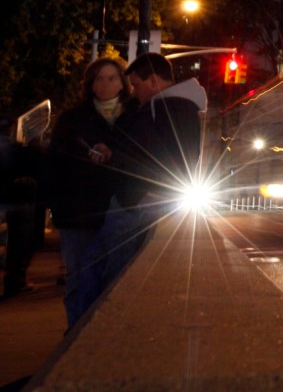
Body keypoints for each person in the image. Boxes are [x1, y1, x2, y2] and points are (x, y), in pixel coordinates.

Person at [75, 52, 206, 317]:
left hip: (138, 200)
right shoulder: (178, 106)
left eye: (137, 84)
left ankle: (95, 326)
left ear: (154, 81)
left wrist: (114, 159)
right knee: (114, 264)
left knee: (99, 264)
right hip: (147, 198)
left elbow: (148, 156)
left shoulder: (165, 108)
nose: (134, 92)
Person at [45, 57, 132, 327]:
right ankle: (74, 337)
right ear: (90, 84)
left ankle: (102, 339)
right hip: (79, 213)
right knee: (78, 277)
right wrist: (58, 209)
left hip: (122, 212)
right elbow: (55, 164)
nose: (105, 84)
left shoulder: (135, 116)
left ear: (123, 83)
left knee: (115, 279)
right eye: (99, 78)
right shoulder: (73, 119)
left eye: (112, 78)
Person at [0, 113, 40, 300]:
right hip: (18, 200)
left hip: (9, 198)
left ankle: (13, 281)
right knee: (19, 243)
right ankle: (15, 282)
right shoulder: (18, 147)